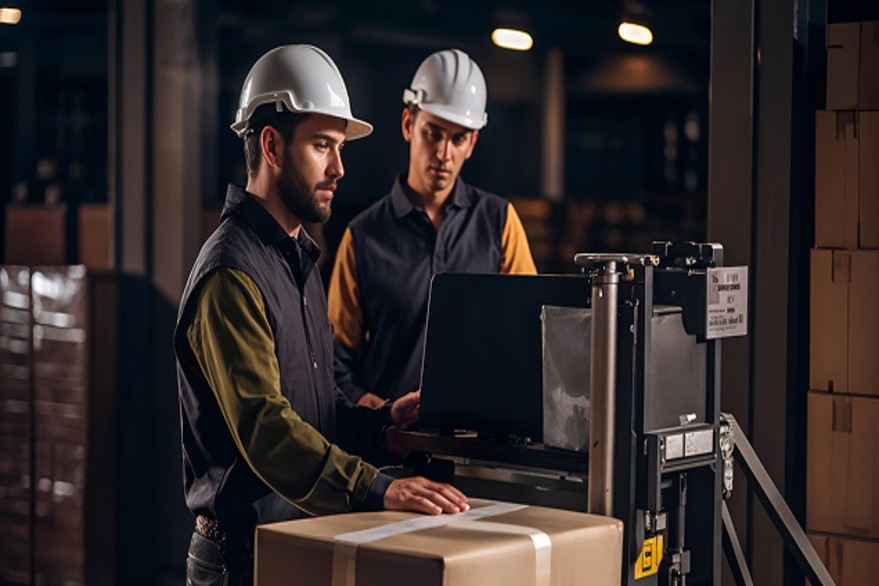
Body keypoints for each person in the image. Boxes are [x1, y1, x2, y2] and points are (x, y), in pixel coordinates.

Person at [174, 45, 468, 586]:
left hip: (298, 541)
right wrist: (377, 487)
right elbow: (268, 430)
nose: (339, 167)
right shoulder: (231, 274)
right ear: (272, 146)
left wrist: (384, 429)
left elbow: (317, 412)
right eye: (322, 146)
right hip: (241, 560)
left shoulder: (301, 261)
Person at [328, 48, 537, 409]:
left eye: (458, 139)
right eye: (433, 133)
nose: (443, 153)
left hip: (481, 452)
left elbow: (530, 341)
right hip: (390, 451)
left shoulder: (501, 223)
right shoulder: (362, 237)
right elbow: (335, 364)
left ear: (471, 143)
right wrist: (386, 417)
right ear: (409, 125)